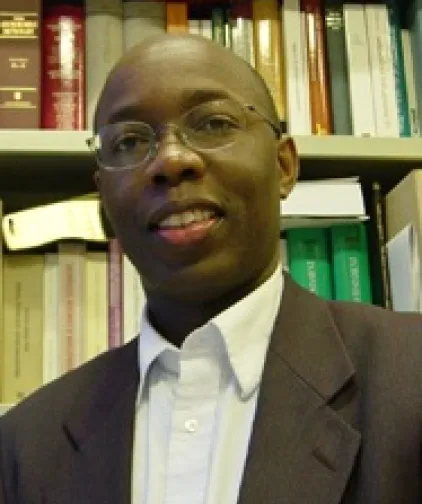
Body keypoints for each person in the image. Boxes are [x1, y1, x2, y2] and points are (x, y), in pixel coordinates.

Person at [1, 33, 421, 504]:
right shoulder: (24, 446)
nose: (171, 160)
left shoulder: (410, 375)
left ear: (284, 166)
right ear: (104, 196)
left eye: (213, 123)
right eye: (129, 141)